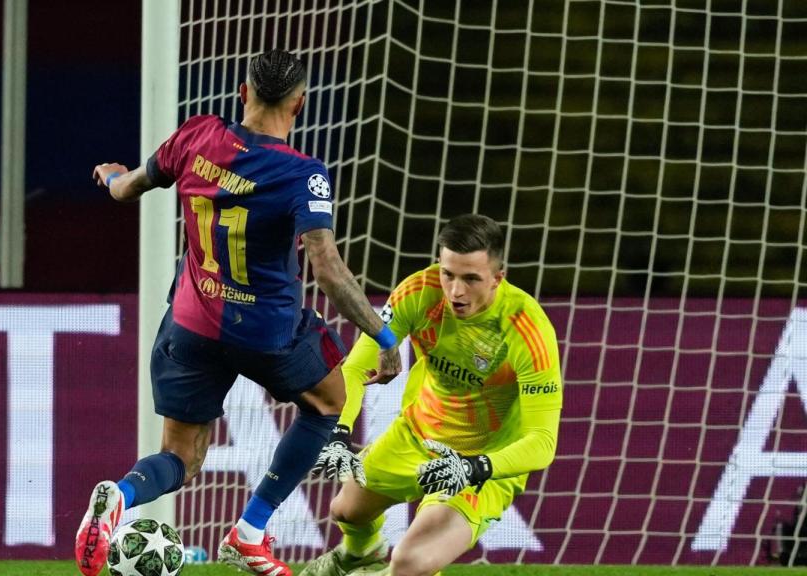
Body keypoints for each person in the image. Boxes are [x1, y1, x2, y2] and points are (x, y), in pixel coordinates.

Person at [75, 49, 403, 576]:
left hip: (191, 324)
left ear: (242, 94)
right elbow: (328, 270)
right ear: (299, 104)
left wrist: (113, 177)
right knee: (328, 403)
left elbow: (126, 188)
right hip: (267, 332)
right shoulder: (304, 174)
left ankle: (120, 495)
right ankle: (250, 531)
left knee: (181, 457)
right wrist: (385, 339)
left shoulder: (196, 134)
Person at [304, 214, 562, 576]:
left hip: (480, 461)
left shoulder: (526, 329)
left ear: (497, 278)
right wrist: (339, 433)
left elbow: (542, 442)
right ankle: (360, 554)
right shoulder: (419, 292)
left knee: (409, 564)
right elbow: (354, 368)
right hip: (418, 433)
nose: (456, 291)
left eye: (471, 279)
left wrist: (474, 468)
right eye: (448, 274)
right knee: (346, 510)